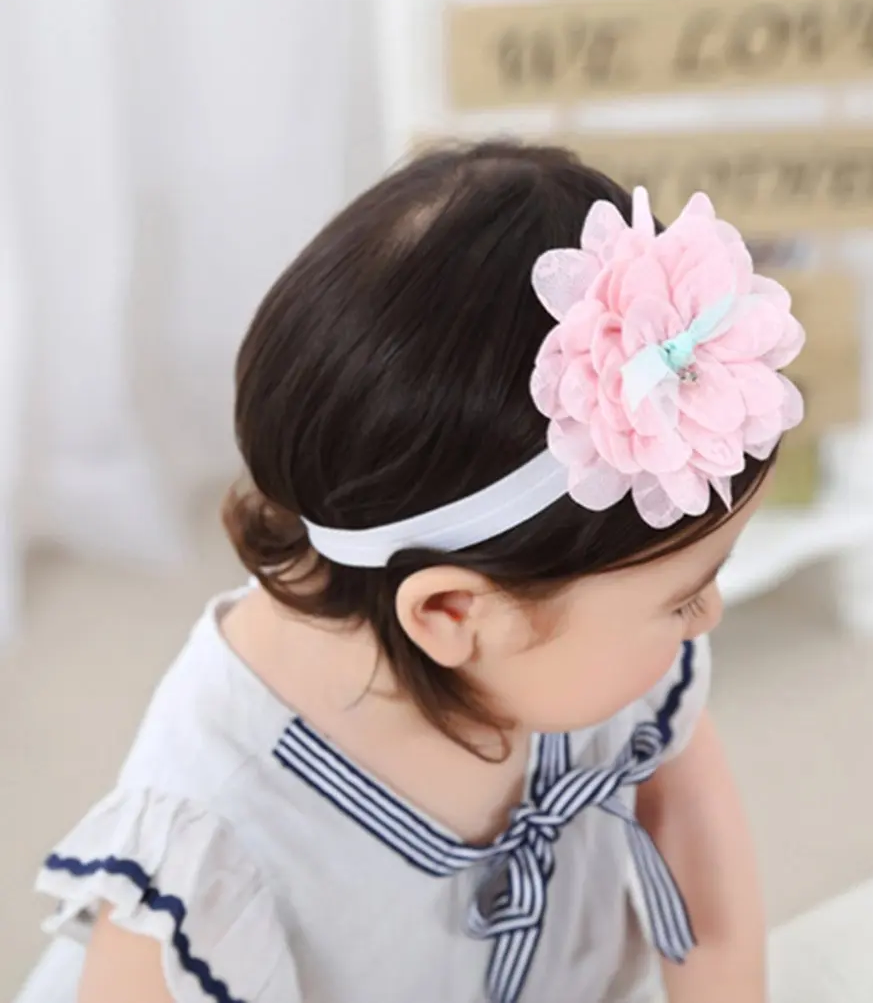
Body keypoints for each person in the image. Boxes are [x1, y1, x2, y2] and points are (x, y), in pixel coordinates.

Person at [28, 141, 804, 1003]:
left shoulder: (569, 643)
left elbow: (692, 832)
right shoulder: (214, 846)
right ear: (452, 614)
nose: (708, 616)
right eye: (684, 598)